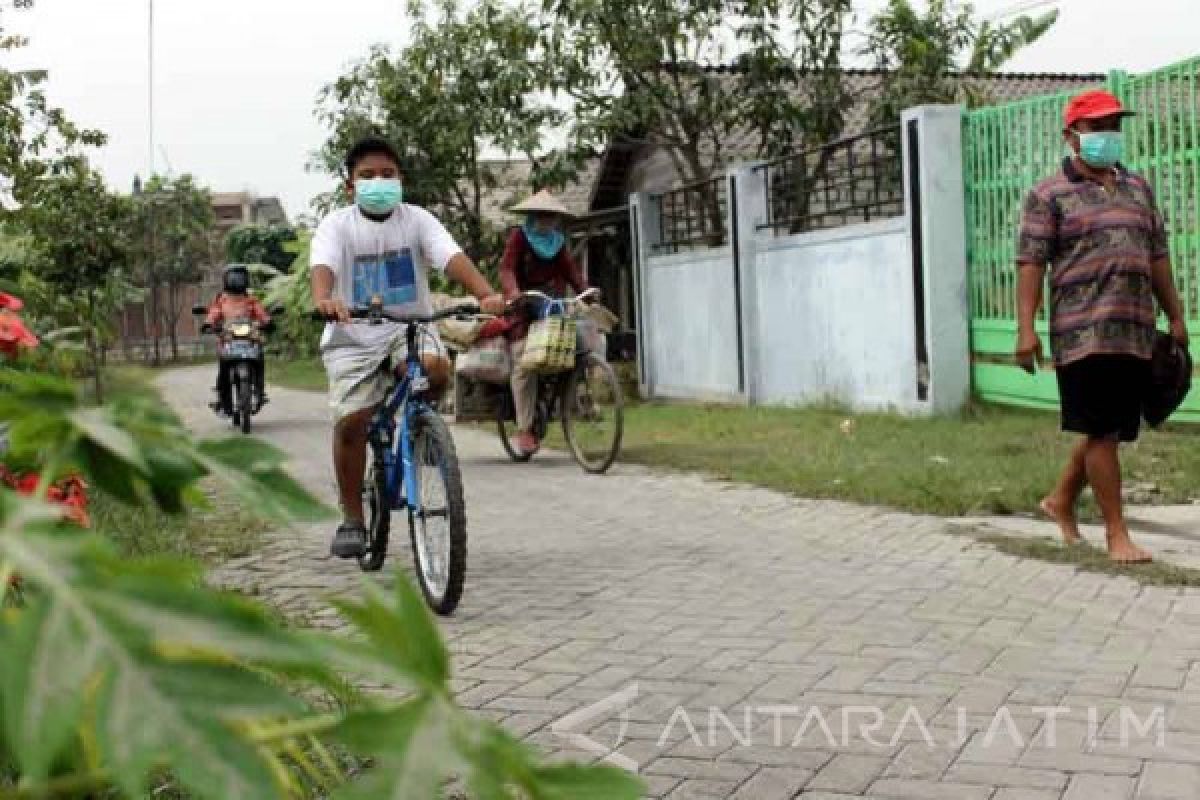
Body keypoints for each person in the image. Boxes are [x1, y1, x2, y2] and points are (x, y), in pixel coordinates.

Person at [1015, 89, 1190, 564]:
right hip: (1081, 330)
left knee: (1108, 428)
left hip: (1133, 328)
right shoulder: (1048, 194)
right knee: (1102, 431)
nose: (1107, 135)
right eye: (1096, 127)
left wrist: (1174, 314)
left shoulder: (1138, 188)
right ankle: (1117, 535)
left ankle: (1060, 501)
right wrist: (1025, 329)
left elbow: (1156, 255)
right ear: (1071, 136)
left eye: (1113, 125)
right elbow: (1030, 262)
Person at [310, 136, 505, 559]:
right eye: (367, 176)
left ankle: (420, 432)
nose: (378, 182)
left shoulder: (418, 221)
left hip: (408, 327)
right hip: (353, 335)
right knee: (352, 422)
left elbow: (449, 256)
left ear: (401, 179)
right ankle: (352, 518)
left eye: (387, 174)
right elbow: (322, 267)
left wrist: (485, 293)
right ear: (350, 186)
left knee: (436, 370)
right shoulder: (336, 226)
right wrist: (326, 299)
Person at [498, 189, 591, 456]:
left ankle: (571, 407)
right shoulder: (519, 238)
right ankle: (525, 429)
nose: (546, 221)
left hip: (552, 306)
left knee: (578, 346)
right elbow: (506, 269)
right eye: (541, 216)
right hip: (524, 307)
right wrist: (514, 292)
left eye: (551, 217)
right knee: (524, 362)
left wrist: (586, 291)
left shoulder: (558, 243)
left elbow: (571, 272)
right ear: (532, 216)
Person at [204, 264, 272, 414]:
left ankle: (260, 390)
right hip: (228, 339)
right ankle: (221, 397)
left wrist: (267, 322)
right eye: (233, 276)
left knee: (259, 359)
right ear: (226, 279)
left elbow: (261, 313)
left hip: (250, 338)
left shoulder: (251, 300)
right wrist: (209, 323)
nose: (237, 280)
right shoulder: (222, 300)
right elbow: (214, 313)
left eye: (240, 276)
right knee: (223, 367)